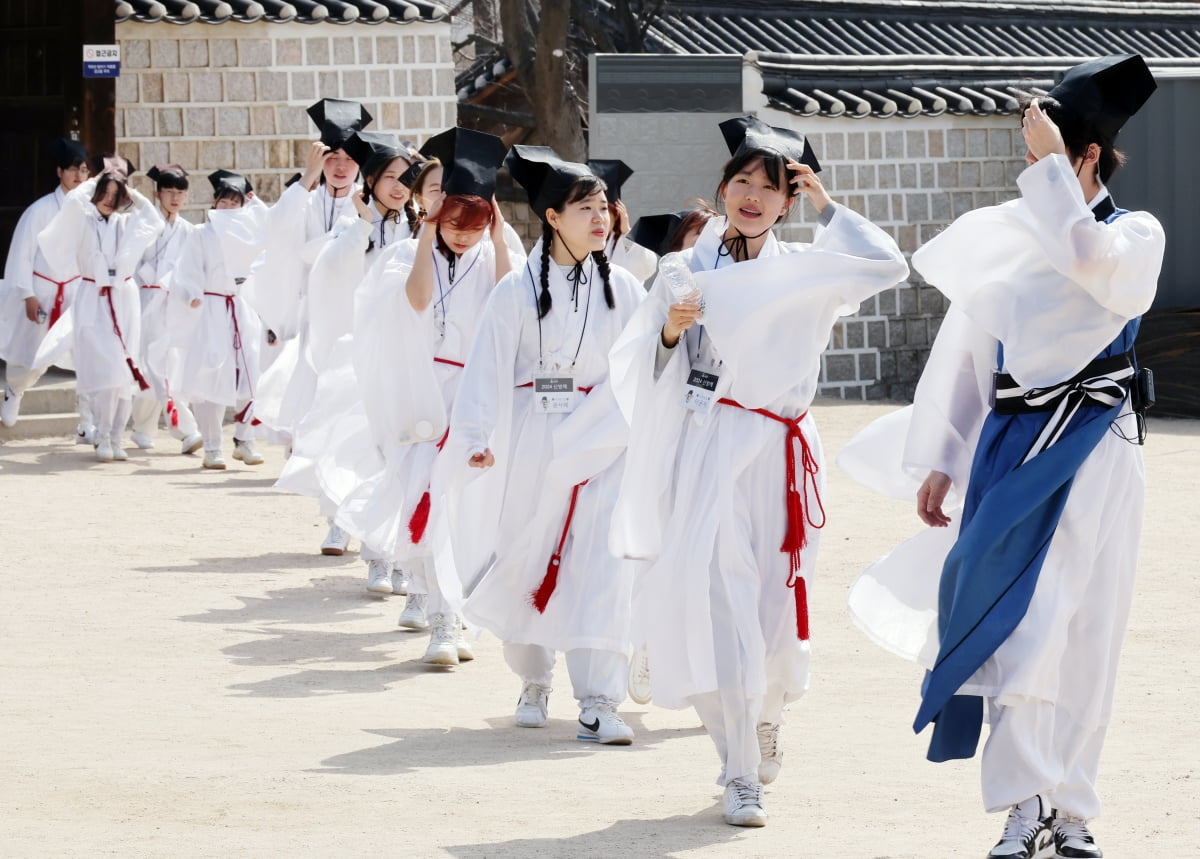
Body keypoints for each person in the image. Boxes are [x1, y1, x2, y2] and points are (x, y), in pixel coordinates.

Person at [838, 54, 1163, 859]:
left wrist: (1052, 173)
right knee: (1022, 626)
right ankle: (1025, 803)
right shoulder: (1010, 233)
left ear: (1083, 155)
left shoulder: (1135, 232)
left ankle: (1074, 806)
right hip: (1019, 449)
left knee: (1091, 631)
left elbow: (1095, 266)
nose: (1029, 169)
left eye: (1043, 151)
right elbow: (967, 348)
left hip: (1099, 446)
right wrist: (942, 457)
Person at [607, 115, 908, 826]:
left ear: (789, 199)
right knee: (721, 606)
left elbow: (887, 263)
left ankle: (767, 714)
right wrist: (674, 328)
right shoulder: (686, 270)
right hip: (711, 446)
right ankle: (738, 766)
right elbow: (642, 365)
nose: (751, 195)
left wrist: (830, 205)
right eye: (741, 180)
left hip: (781, 456)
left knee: (776, 615)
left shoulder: (804, 269)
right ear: (722, 187)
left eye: (770, 187)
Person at [435, 146, 645, 742]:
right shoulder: (516, 291)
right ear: (552, 217)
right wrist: (475, 436)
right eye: (585, 208)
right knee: (528, 550)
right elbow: (486, 368)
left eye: (603, 206)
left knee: (603, 562)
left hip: (606, 437)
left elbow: (645, 368)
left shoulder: (626, 287)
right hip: (537, 434)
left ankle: (600, 699)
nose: (601, 218)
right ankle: (533, 677)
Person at [326, 127, 519, 656]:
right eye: (452, 221)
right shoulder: (407, 255)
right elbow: (416, 301)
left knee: (466, 508)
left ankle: (449, 615)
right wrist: (429, 238)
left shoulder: (496, 255)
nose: (462, 233)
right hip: (420, 391)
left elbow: (509, 302)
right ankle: (438, 615)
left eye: (472, 224)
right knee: (425, 501)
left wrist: (499, 239)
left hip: (475, 392)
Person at [274, 130, 420, 593]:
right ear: (371, 181)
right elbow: (332, 274)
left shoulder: (419, 227)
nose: (399, 187)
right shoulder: (349, 224)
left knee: (404, 459)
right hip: (362, 355)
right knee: (366, 451)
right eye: (390, 178)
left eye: (406, 178)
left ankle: (401, 560)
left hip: (406, 357)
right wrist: (360, 228)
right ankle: (375, 556)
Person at [247, 97, 370, 553]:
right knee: (317, 424)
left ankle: (350, 518)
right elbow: (277, 239)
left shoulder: (370, 203)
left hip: (358, 328)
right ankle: (334, 518)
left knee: (354, 423)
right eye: (331, 158)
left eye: (349, 158)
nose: (340, 167)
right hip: (316, 329)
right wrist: (306, 179)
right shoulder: (303, 199)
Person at [35, 155, 164, 462]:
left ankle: (116, 435)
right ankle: (101, 432)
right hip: (93, 297)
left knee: (124, 372)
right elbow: (75, 203)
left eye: (114, 196)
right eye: (103, 195)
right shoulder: (82, 219)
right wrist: (101, 178)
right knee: (104, 370)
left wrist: (130, 190)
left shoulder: (126, 224)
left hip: (123, 298)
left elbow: (153, 220)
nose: (108, 201)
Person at [172, 170, 269, 469]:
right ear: (214, 204)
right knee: (211, 374)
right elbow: (185, 270)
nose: (229, 207)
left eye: (235, 202)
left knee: (250, 374)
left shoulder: (250, 233)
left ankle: (245, 439)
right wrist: (191, 293)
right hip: (212, 309)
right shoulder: (201, 233)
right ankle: (212, 446)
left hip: (241, 308)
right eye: (224, 201)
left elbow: (268, 245)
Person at [1, 138, 90, 434]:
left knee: (87, 353)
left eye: (84, 171)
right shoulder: (39, 211)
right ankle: (14, 392)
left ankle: (88, 421)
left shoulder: (91, 210)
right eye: (73, 170)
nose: (79, 176)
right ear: (60, 172)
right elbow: (21, 255)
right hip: (44, 291)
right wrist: (27, 295)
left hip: (77, 291)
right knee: (32, 358)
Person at [129, 163, 203, 454]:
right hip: (145, 301)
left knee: (162, 366)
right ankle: (185, 429)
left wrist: (192, 293)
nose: (174, 198)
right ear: (156, 193)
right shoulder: (144, 224)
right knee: (156, 366)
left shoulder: (188, 230)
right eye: (169, 192)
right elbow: (130, 262)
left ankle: (141, 427)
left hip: (175, 305)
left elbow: (191, 270)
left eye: (179, 193)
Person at [588, 159, 659, 282]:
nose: (598, 218)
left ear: (618, 215)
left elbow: (645, 266)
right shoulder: (578, 240)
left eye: (604, 210)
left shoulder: (624, 245)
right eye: (588, 209)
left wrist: (626, 233)